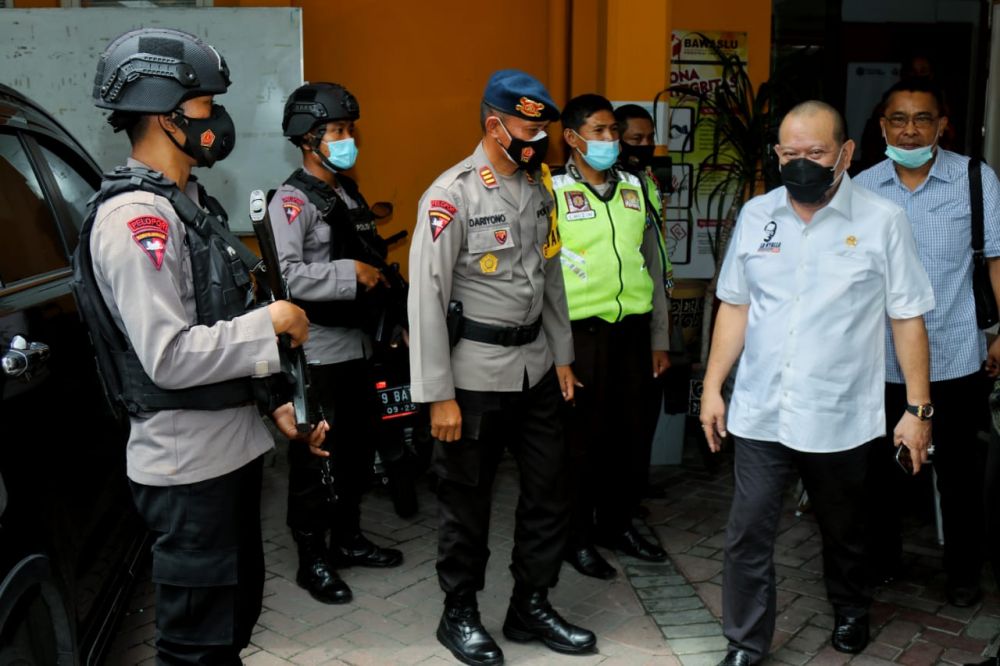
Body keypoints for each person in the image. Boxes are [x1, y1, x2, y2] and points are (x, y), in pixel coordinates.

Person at [84, 28, 328, 663]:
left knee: (231, 629)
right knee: (197, 648)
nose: (217, 118)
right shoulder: (137, 220)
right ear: (167, 115)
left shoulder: (189, 203)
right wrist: (272, 322)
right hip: (188, 469)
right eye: (205, 105)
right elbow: (168, 356)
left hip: (228, 451)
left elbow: (219, 316)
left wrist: (276, 402)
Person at [700, 101, 934, 666]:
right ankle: (744, 641)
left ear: (845, 154)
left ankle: (850, 607)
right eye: (790, 153)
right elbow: (735, 306)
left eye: (816, 152)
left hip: (839, 413)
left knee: (844, 529)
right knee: (747, 531)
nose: (801, 163)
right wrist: (712, 386)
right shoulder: (757, 214)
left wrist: (917, 410)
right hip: (761, 409)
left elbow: (907, 317)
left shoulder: (882, 221)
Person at [408, 69, 597, 665]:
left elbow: (551, 276)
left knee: (549, 490)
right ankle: (459, 611)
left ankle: (530, 605)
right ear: (495, 126)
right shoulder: (451, 195)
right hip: (472, 377)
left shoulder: (541, 190)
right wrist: (438, 394)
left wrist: (562, 356)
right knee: (466, 502)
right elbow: (426, 298)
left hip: (535, 368)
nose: (540, 140)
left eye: (543, 130)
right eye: (529, 129)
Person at [855, 77, 1000, 606]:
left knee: (960, 474)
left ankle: (963, 573)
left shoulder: (975, 179)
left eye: (922, 119)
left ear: (942, 125)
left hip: (955, 353)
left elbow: (996, 260)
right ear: (882, 126)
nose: (910, 130)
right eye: (899, 119)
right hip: (881, 358)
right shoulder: (861, 187)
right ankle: (883, 560)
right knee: (880, 472)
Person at [268, 82, 404, 606]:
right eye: (338, 131)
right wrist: (350, 275)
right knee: (316, 458)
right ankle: (312, 559)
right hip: (319, 351)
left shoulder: (347, 193)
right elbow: (287, 277)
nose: (349, 140)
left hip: (359, 345)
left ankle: (347, 538)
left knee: (356, 453)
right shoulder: (291, 202)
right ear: (308, 138)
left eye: (350, 130)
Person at [552, 94, 671, 581]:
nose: (610, 140)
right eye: (598, 131)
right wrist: (558, 353)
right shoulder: (550, 190)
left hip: (633, 334)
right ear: (572, 137)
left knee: (631, 437)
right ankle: (576, 537)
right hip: (580, 336)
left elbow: (654, 264)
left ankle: (618, 525)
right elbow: (543, 276)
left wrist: (660, 338)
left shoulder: (636, 188)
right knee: (581, 442)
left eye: (613, 132)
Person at [615, 103, 675, 298]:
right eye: (637, 139)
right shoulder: (608, 184)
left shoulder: (648, 179)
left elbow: (655, 232)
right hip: (627, 290)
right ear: (617, 141)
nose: (646, 145)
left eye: (650, 138)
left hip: (656, 281)